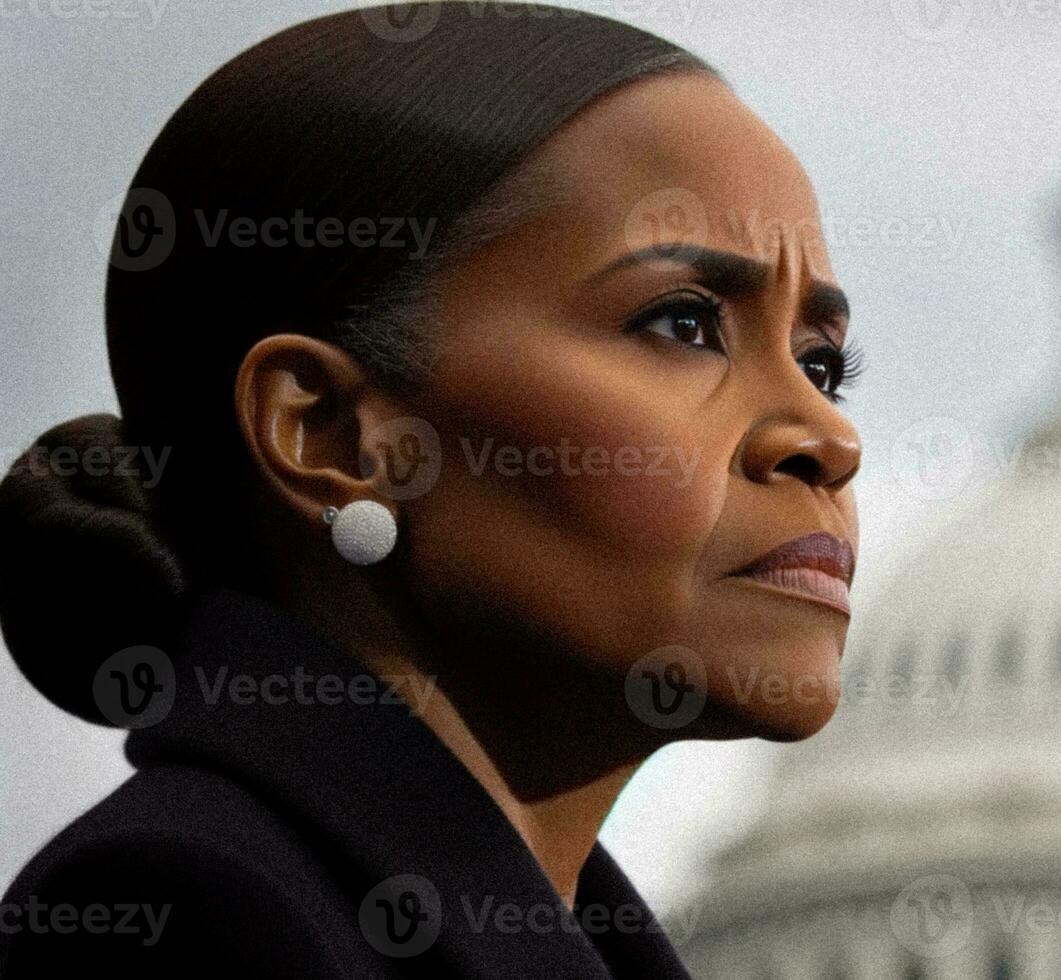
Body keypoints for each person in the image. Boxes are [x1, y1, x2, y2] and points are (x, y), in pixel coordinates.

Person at [0, 4, 863, 975]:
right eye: (682, 323)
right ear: (328, 432)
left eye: (824, 365)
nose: (827, 437)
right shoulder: (195, 917)